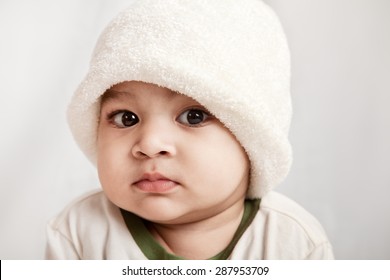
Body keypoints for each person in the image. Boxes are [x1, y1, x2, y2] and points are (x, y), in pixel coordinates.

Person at [46, 0, 334, 259]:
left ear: (252, 138)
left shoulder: (293, 242)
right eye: (126, 118)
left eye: (193, 117)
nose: (149, 143)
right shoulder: (79, 232)